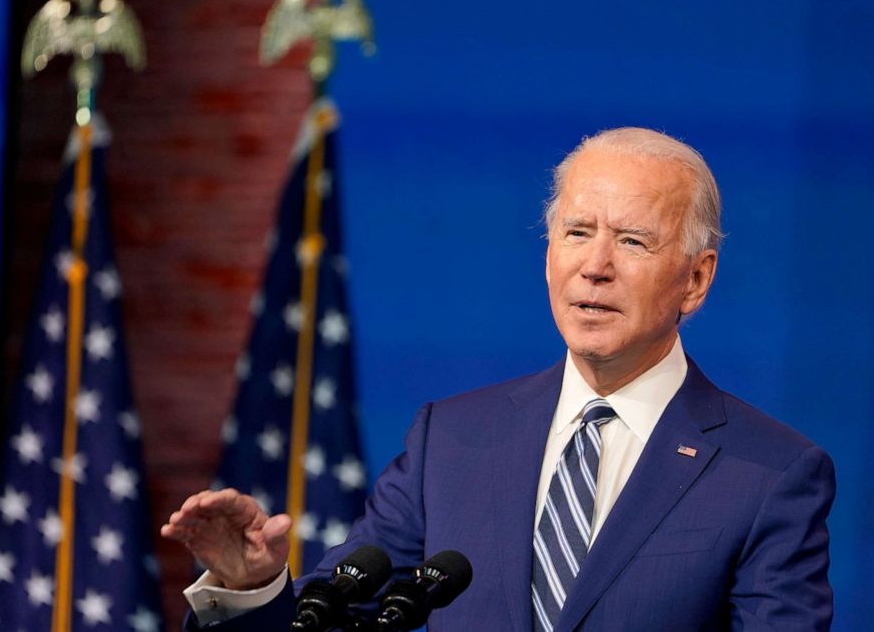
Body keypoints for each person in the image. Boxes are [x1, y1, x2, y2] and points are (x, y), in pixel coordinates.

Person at [162, 127, 835, 631]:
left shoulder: (770, 474)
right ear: (548, 254)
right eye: (576, 232)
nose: (594, 265)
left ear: (696, 278)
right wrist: (250, 584)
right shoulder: (451, 441)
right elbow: (333, 616)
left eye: (632, 240)